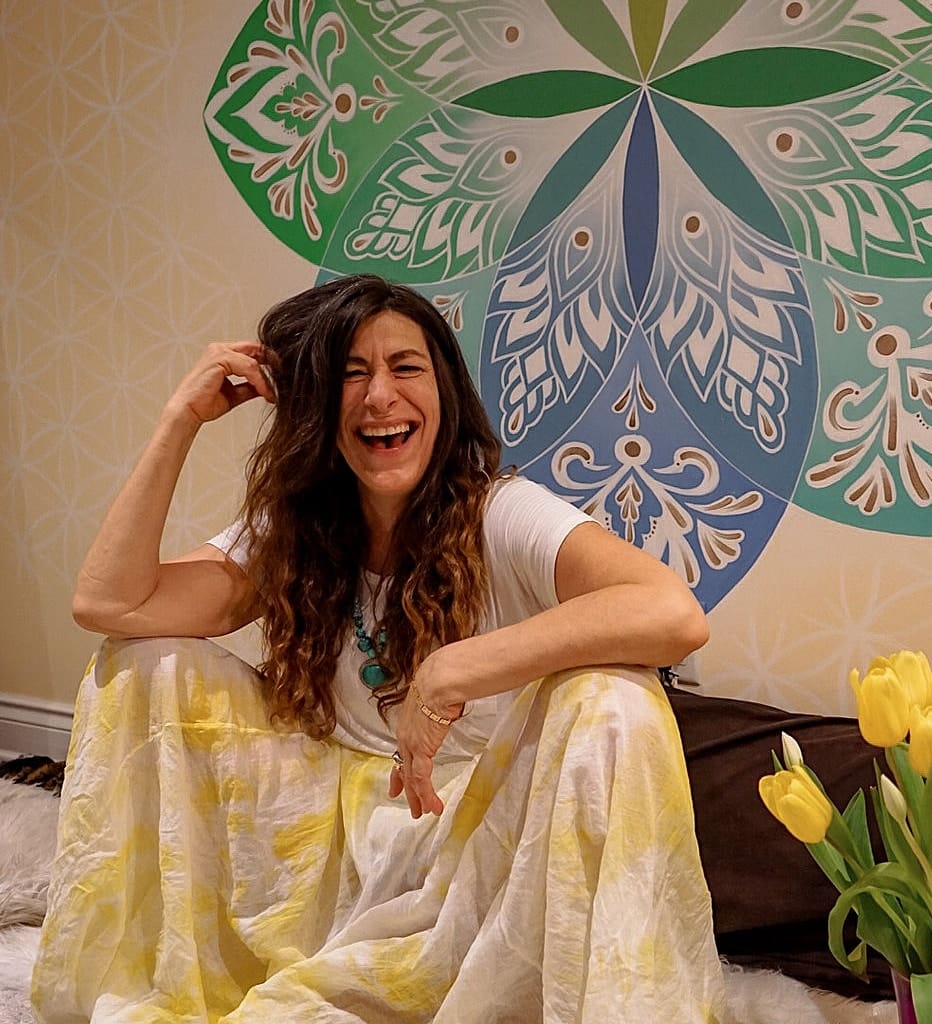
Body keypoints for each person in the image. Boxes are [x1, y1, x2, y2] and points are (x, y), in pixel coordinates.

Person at [32, 275, 726, 1022]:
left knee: (615, 699)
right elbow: (111, 605)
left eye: (405, 367)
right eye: (350, 374)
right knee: (144, 663)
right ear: (315, 406)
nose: (380, 396)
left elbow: (672, 612)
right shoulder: (295, 529)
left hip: (481, 861)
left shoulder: (502, 512)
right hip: (321, 861)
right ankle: (179, 969)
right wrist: (180, 420)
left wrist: (449, 669)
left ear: (444, 391)